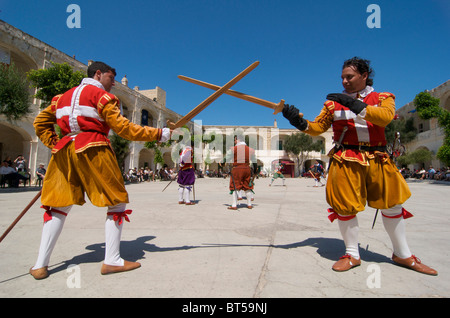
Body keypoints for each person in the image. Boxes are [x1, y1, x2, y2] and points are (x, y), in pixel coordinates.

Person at [282, 56, 437, 275]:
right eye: (342, 77)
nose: (344, 81)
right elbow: (317, 128)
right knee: (344, 206)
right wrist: (299, 122)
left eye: (350, 76)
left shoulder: (383, 97)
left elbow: (384, 118)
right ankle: (352, 254)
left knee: (392, 204)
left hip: (378, 157)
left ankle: (402, 254)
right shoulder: (332, 104)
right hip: (346, 157)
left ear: (364, 76)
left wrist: (353, 103)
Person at [30, 61, 170, 280]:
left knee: (58, 206)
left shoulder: (60, 98)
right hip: (94, 148)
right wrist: (157, 134)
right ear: (98, 74)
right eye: (110, 78)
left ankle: (40, 265)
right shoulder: (103, 97)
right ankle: (112, 260)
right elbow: (124, 128)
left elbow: (40, 122)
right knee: (116, 201)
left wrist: (56, 142)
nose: (113, 83)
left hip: (65, 151)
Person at [228, 133, 257, 210]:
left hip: (237, 169)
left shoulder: (234, 149)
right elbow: (254, 162)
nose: (234, 142)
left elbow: (227, 157)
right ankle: (249, 204)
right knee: (247, 186)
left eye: (235, 140)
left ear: (238, 140)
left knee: (235, 186)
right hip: (247, 169)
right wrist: (256, 170)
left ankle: (234, 205)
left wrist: (222, 162)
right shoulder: (250, 150)